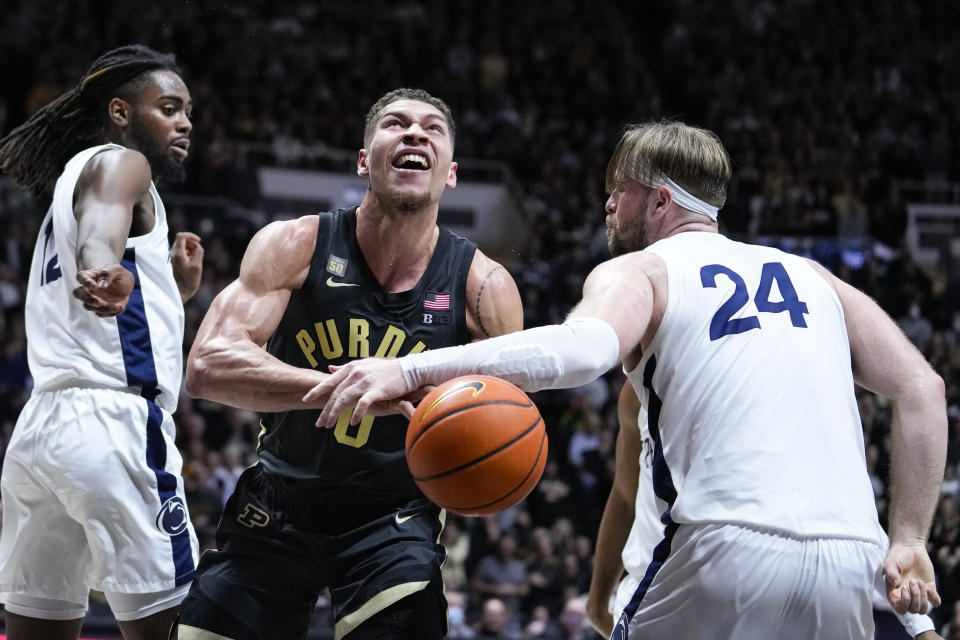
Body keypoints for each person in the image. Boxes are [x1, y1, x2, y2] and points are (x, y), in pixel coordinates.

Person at [308, 120, 947, 639]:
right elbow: (923, 388)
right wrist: (910, 537)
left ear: (660, 200)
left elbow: (583, 348)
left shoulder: (646, 269)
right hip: (849, 563)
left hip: (720, 545)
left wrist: (408, 367)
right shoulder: (817, 278)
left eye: (619, 189)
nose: (607, 204)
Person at [174, 88, 523, 640]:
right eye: (396, 124)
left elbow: (510, 417)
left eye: (432, 129)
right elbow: (207, 365)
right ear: (365, 160)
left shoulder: (484, 287)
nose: (414, 134)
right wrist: (344, 385)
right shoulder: (296, 244)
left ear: (450, 173)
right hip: (278, 502)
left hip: (393, 516)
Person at [0, 45, 202, 640]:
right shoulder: (121, 163)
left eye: (189, 109)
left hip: (41, 434)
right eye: (169, 108)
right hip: (113, 429)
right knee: (179, 629)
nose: (185, 121)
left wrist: (174, 293)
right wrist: (100, 265)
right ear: (120, 111)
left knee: (38, 629)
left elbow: (100, 268)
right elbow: (101, 232)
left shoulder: (66, 188)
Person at [585, 382, 944, 640]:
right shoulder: (638, 391)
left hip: (735, 584)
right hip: (662, 593)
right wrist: (598, 600)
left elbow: (830, 503)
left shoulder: (768, 392)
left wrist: (921, 627)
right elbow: (624, 493)